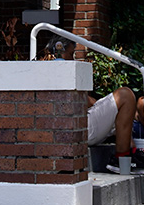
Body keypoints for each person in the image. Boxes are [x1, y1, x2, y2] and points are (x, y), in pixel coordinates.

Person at [44, 37, 137, 176]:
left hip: (76, 126)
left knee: (123, 113)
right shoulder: (60, 68)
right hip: (79, 128)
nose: (73, 58)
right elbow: (84, 102)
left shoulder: (48, 70)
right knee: (125, 95)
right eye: (71, 54)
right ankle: (121, 159)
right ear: (60, 50)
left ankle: (130, 156)